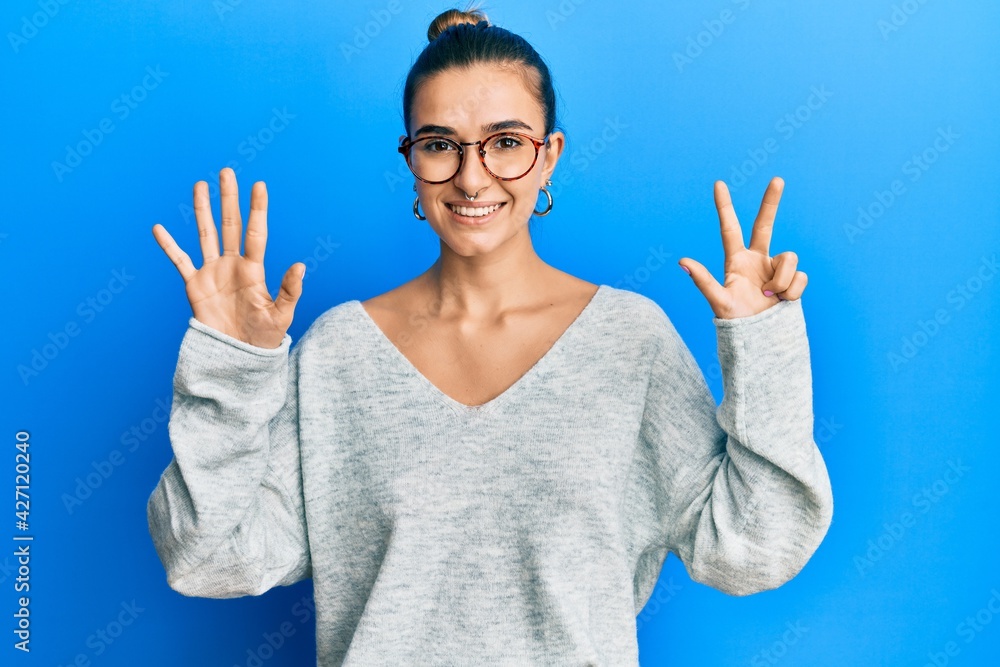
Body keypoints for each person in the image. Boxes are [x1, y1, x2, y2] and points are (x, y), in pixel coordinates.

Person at [146, 6, 833, 665]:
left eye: (506, 143)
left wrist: (762, 345)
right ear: (410, 159)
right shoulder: (336, 354)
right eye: (439, 145)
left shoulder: (630, 341)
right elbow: (209, 558)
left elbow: (755, 549)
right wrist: (234, 371)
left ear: (549, 155)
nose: (472, 178)